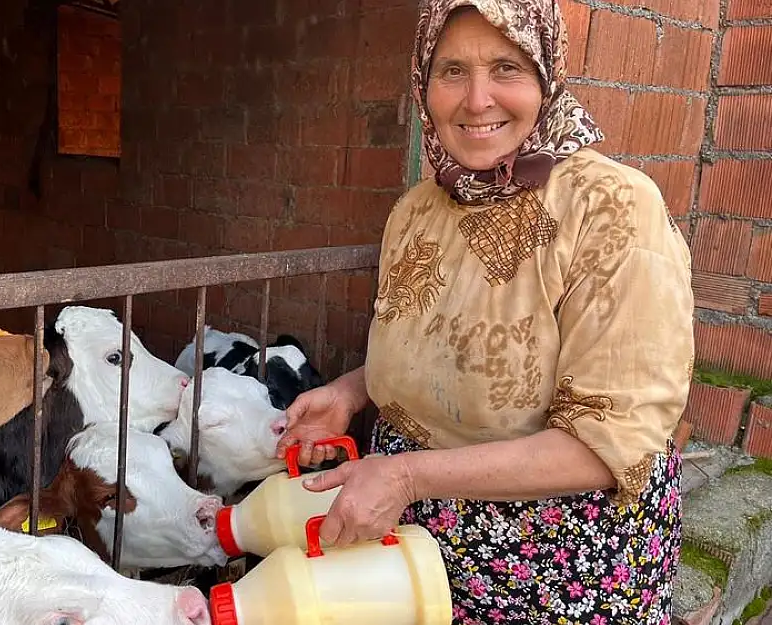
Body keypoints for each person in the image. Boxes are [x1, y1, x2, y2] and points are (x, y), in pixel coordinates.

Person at [275, 1, 694, 623]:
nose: (477, 100)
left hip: (557, 568)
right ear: (423, 82)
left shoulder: (610, 207)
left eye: (506, 67)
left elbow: (609, 444)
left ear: (545, 76)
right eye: (451, 71)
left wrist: (406, 478)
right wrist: (351, 392)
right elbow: (451, 338)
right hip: (415, 549)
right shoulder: (418, 208)